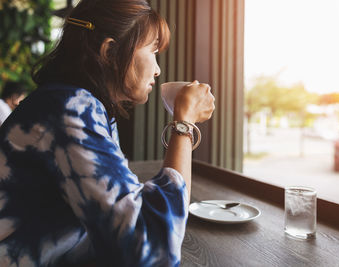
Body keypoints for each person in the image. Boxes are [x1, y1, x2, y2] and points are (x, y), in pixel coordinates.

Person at [0, 0, 214, 266]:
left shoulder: (78, 104)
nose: (158, 70)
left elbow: (120, 210)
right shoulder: (70, 109)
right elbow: (151, 248)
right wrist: (184, 124)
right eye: (153, 51)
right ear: (110, 51)